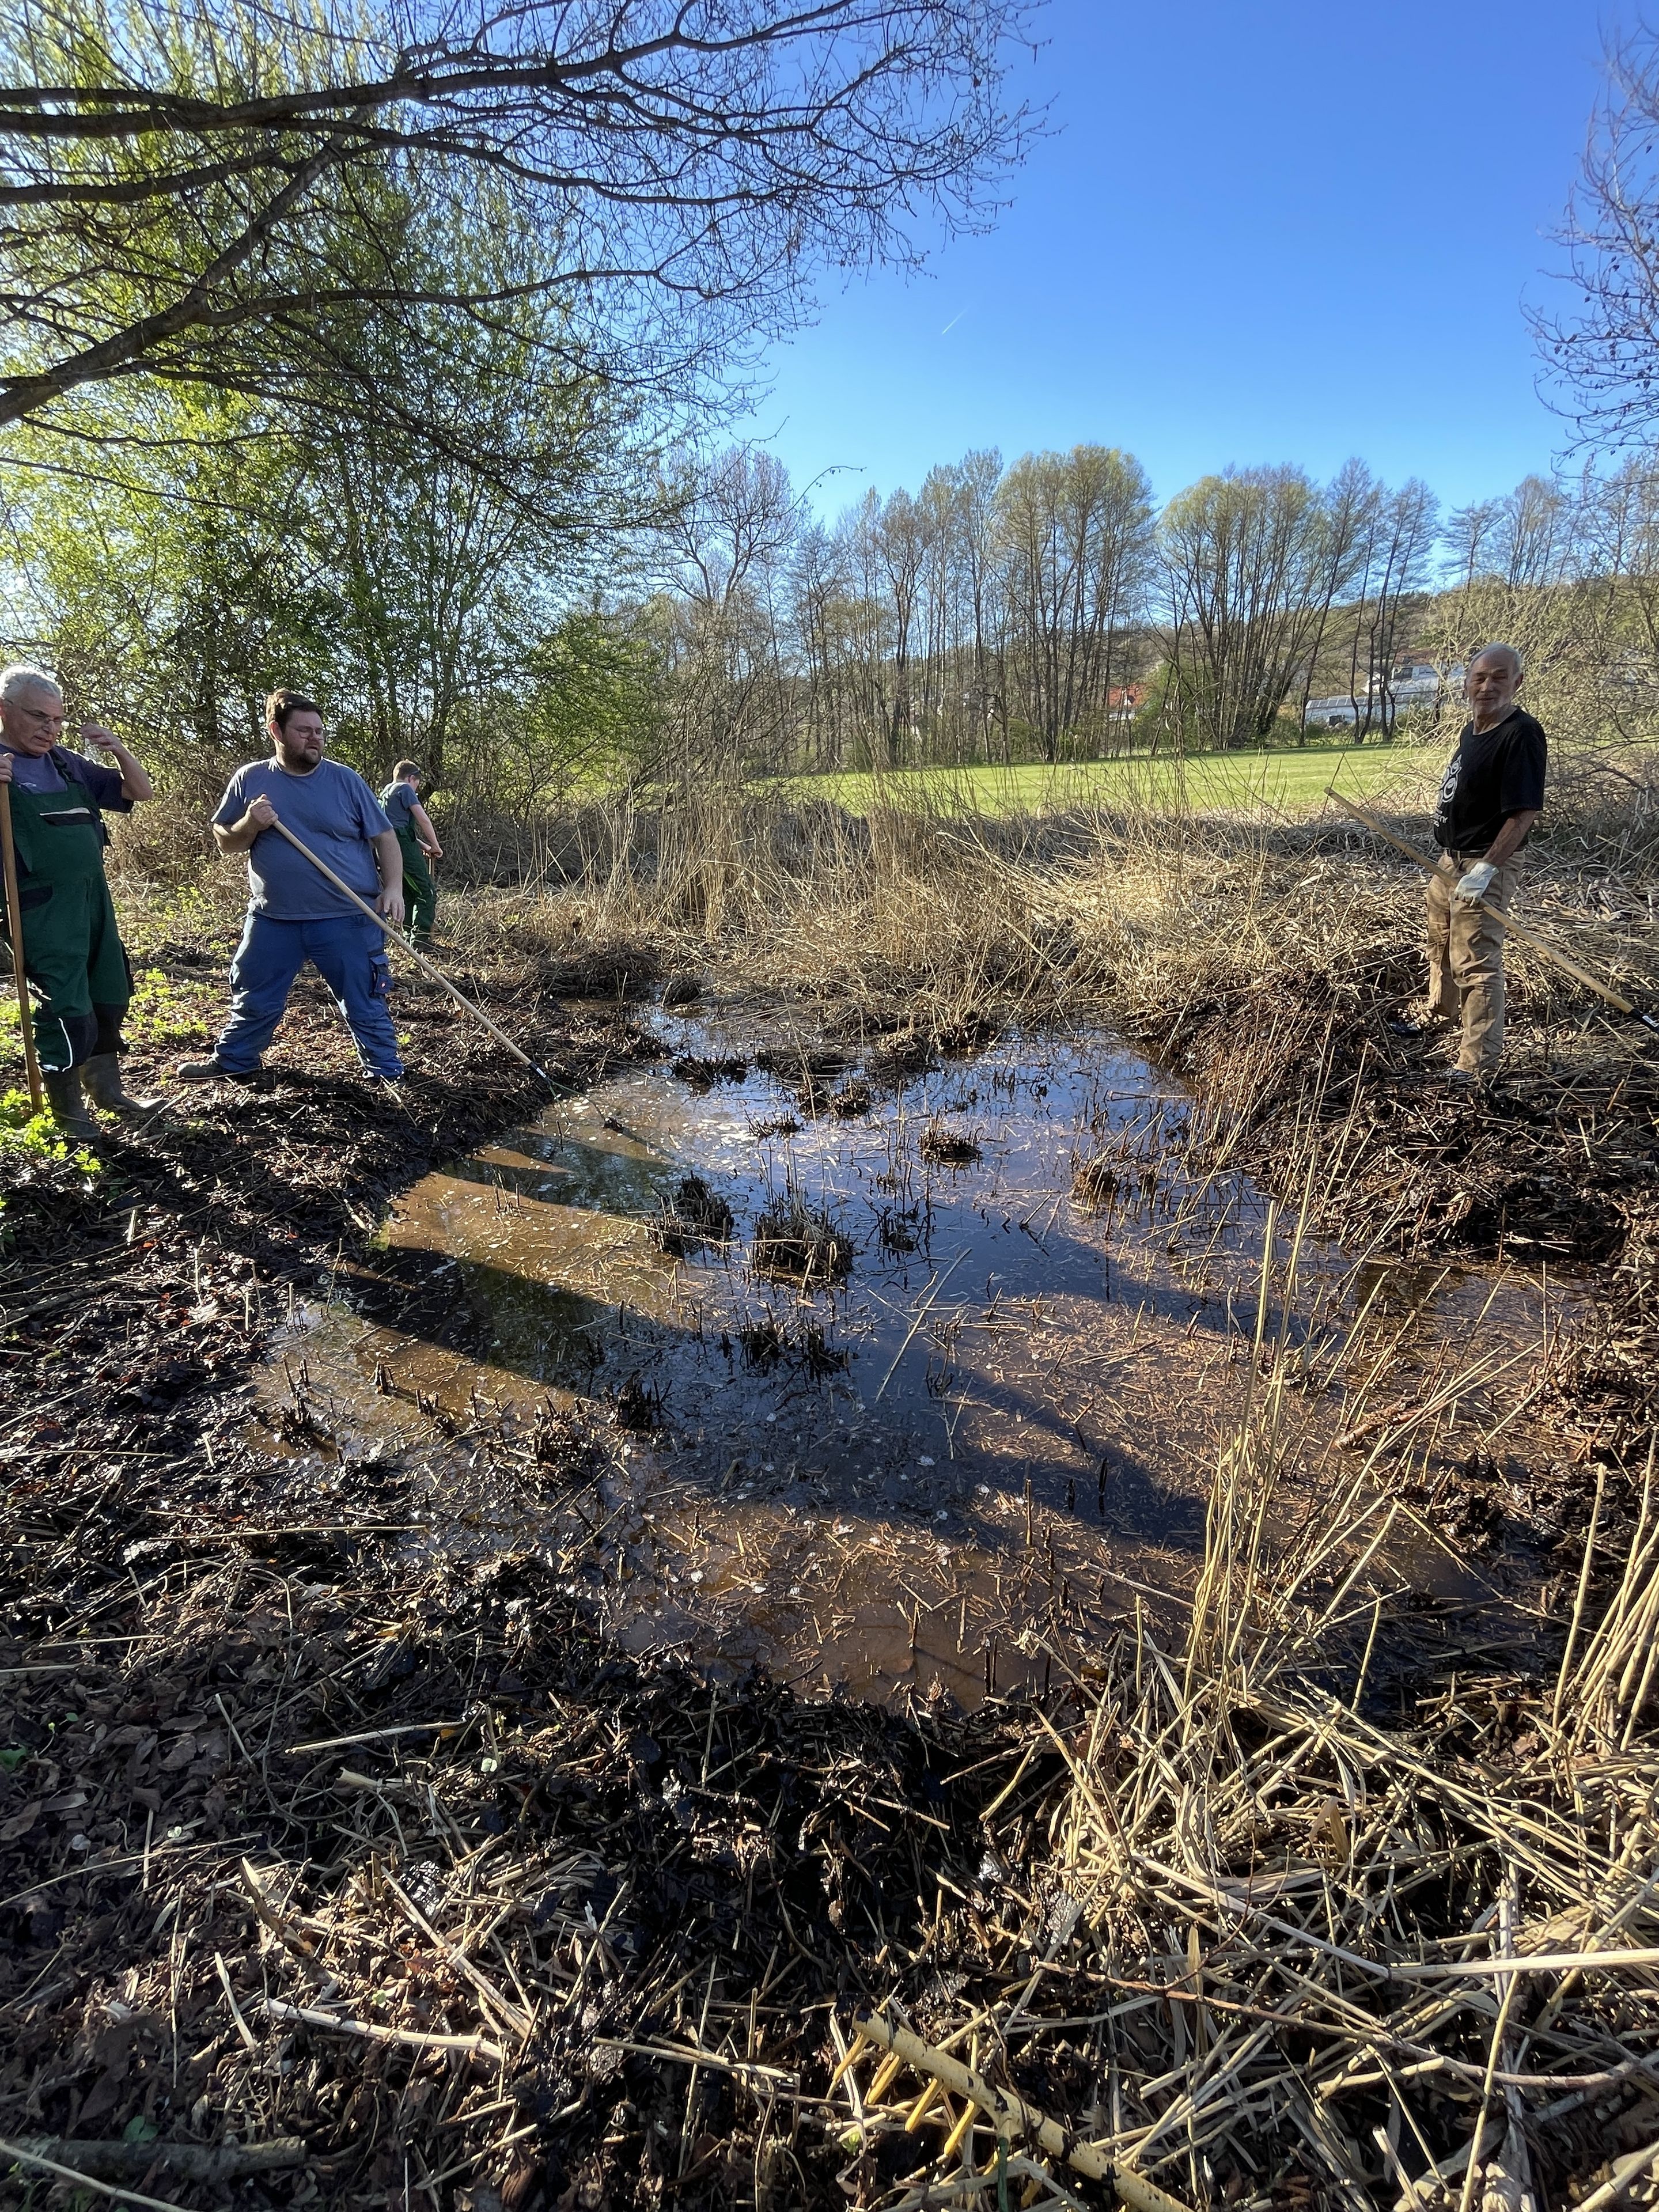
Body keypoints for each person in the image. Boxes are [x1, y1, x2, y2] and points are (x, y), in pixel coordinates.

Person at [179, 690, 405, 1085]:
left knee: (364, 1001)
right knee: (254, 995)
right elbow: (226, 841)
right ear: (276, 731)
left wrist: (394, 888)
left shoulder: (345, 781)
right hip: (274, 918)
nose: (314, 738)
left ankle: (385, 1074)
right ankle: (236, 1061)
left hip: (347, 916)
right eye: (304, 731)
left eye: (319, 731)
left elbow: (385, 837)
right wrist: (250, 823)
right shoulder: (251, 779)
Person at [0, 664, 156, 1139]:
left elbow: (139, 791)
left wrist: (120, 751)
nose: (51, 729)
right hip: (37, 909)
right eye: (39, 717)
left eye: (58, 720)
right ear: (4, 711)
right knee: (66, 1008)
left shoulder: (66, 763)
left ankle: (108, 1093)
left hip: (93, 900)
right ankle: (68, 1115)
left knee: (109, 991)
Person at [1424, 644, 1546, 1087]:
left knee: (1476, 962)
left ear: (1517, 682)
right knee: (1440, 945)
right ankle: (1439, 1017)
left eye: (1499, 677)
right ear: (1466, 684)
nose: (1487, 686)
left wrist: (1487, 869)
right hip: (1449, 861)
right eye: (1479, 678)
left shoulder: (1521, 734)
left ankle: (1475, 1064)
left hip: (1485, 864)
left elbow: (1524, 812)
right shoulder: (1472, 730)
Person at [378, 760, 442, 950]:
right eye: (417, 784)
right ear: (411, 778)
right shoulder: (405, 789)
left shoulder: (385, 792)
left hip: (387, 847)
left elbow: (397, 825)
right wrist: (435, 845)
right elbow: (423, 819)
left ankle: (409, 937)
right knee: (426, 891)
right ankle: (421, 940)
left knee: (407, 892)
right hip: (402, 847)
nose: (416, 789)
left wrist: (423, 846)